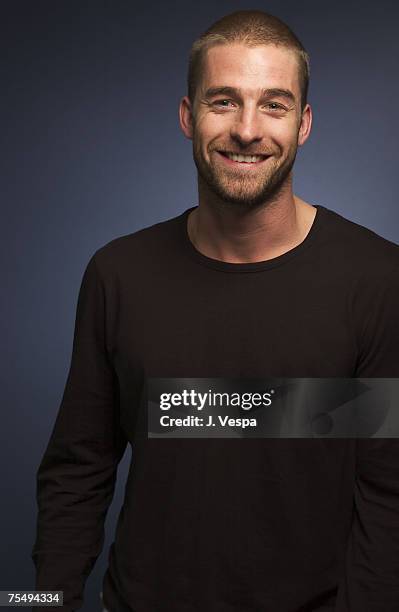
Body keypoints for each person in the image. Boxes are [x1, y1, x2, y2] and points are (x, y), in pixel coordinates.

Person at [32, 9, 399, 612]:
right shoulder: (118, 275)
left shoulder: (378, 281)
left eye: (274, 105)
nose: (248, 130)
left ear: (303, 124)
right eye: (224, 101)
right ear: (188, 116)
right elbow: (78, 470)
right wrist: (44, 603)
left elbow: (389, 496)